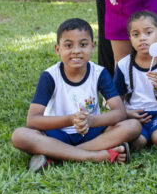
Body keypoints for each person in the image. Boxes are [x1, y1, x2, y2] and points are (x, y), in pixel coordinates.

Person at [11, 18, 141, 171]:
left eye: (83, 44)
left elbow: (119, 112)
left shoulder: (99, 73)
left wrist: (91, 121)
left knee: (133, 126)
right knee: (20, 135)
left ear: (93, 47)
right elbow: (32, 121)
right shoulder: (49, 76)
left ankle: (58, 155)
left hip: (91, 133)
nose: (76, 51)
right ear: (57, 49)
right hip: (57, 134)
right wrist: (70, 119)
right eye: (68, 45)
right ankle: (94, 156)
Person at [113, 11, 157, 150]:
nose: (142, 38)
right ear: (130, 38)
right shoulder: (123, 65)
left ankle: (151, 135)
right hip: (134, 115)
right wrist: (127, 113)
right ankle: (137, 140)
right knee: (139, 141)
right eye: (136, 34)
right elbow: (115, 101)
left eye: (148, 33)